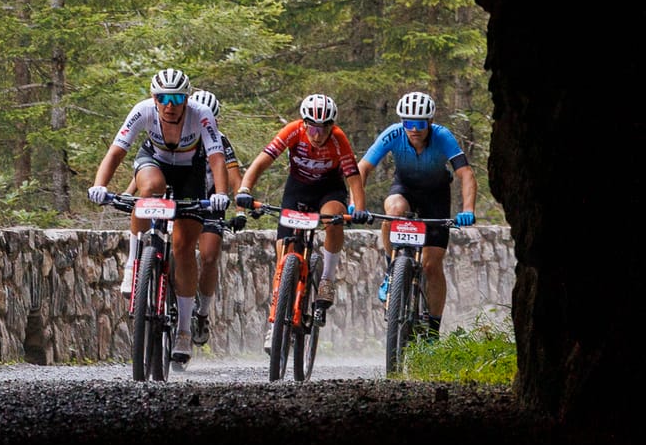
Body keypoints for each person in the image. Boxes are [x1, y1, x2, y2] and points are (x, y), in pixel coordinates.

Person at [87, 67, 231, 367]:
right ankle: (134, 262)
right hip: (154, 162)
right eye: (163, 97)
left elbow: (217, 157)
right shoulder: (142, 111)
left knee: (183, 248)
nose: (170, 104)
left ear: (186, 99)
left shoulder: (201, 113)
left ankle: (182, 332)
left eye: (177, 98)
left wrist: (220, 193)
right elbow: (116, 152)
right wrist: (99, 186)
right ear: (154, 98)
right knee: (151, 188)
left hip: (190, 172)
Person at [234, 92, 367, 350]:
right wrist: (245, 190)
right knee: (284, 253)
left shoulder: (338, 139)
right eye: (312, 127)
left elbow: (353, 177)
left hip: (329, 189)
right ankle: (275, 325)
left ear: (331, 126)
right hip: (297, 189)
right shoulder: (293, 131)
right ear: (305, 123)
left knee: (332, 218)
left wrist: (359, 209)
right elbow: (261, 162)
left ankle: (326, 278)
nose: (317, 135)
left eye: (323, 128)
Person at [356, 89, 480, 337]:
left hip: (436, 196)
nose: (413, 129)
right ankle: (392, 269)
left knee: (432, 266)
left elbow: (465, 173)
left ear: (430, 123)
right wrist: (356, 205)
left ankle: (433, 331)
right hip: (405, 189)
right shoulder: (393, 134)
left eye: (419, 123)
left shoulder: (442, 136)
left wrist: (468, 210)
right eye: (408, 123)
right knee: (394, 209)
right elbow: (363, 167)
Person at [184, 87, 243, 349]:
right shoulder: (178, 134)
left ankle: (202, 313)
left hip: (210, 202)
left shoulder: (221, 140)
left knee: (208, 256)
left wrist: (240, 209)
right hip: (183, 199)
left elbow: (234, 177)